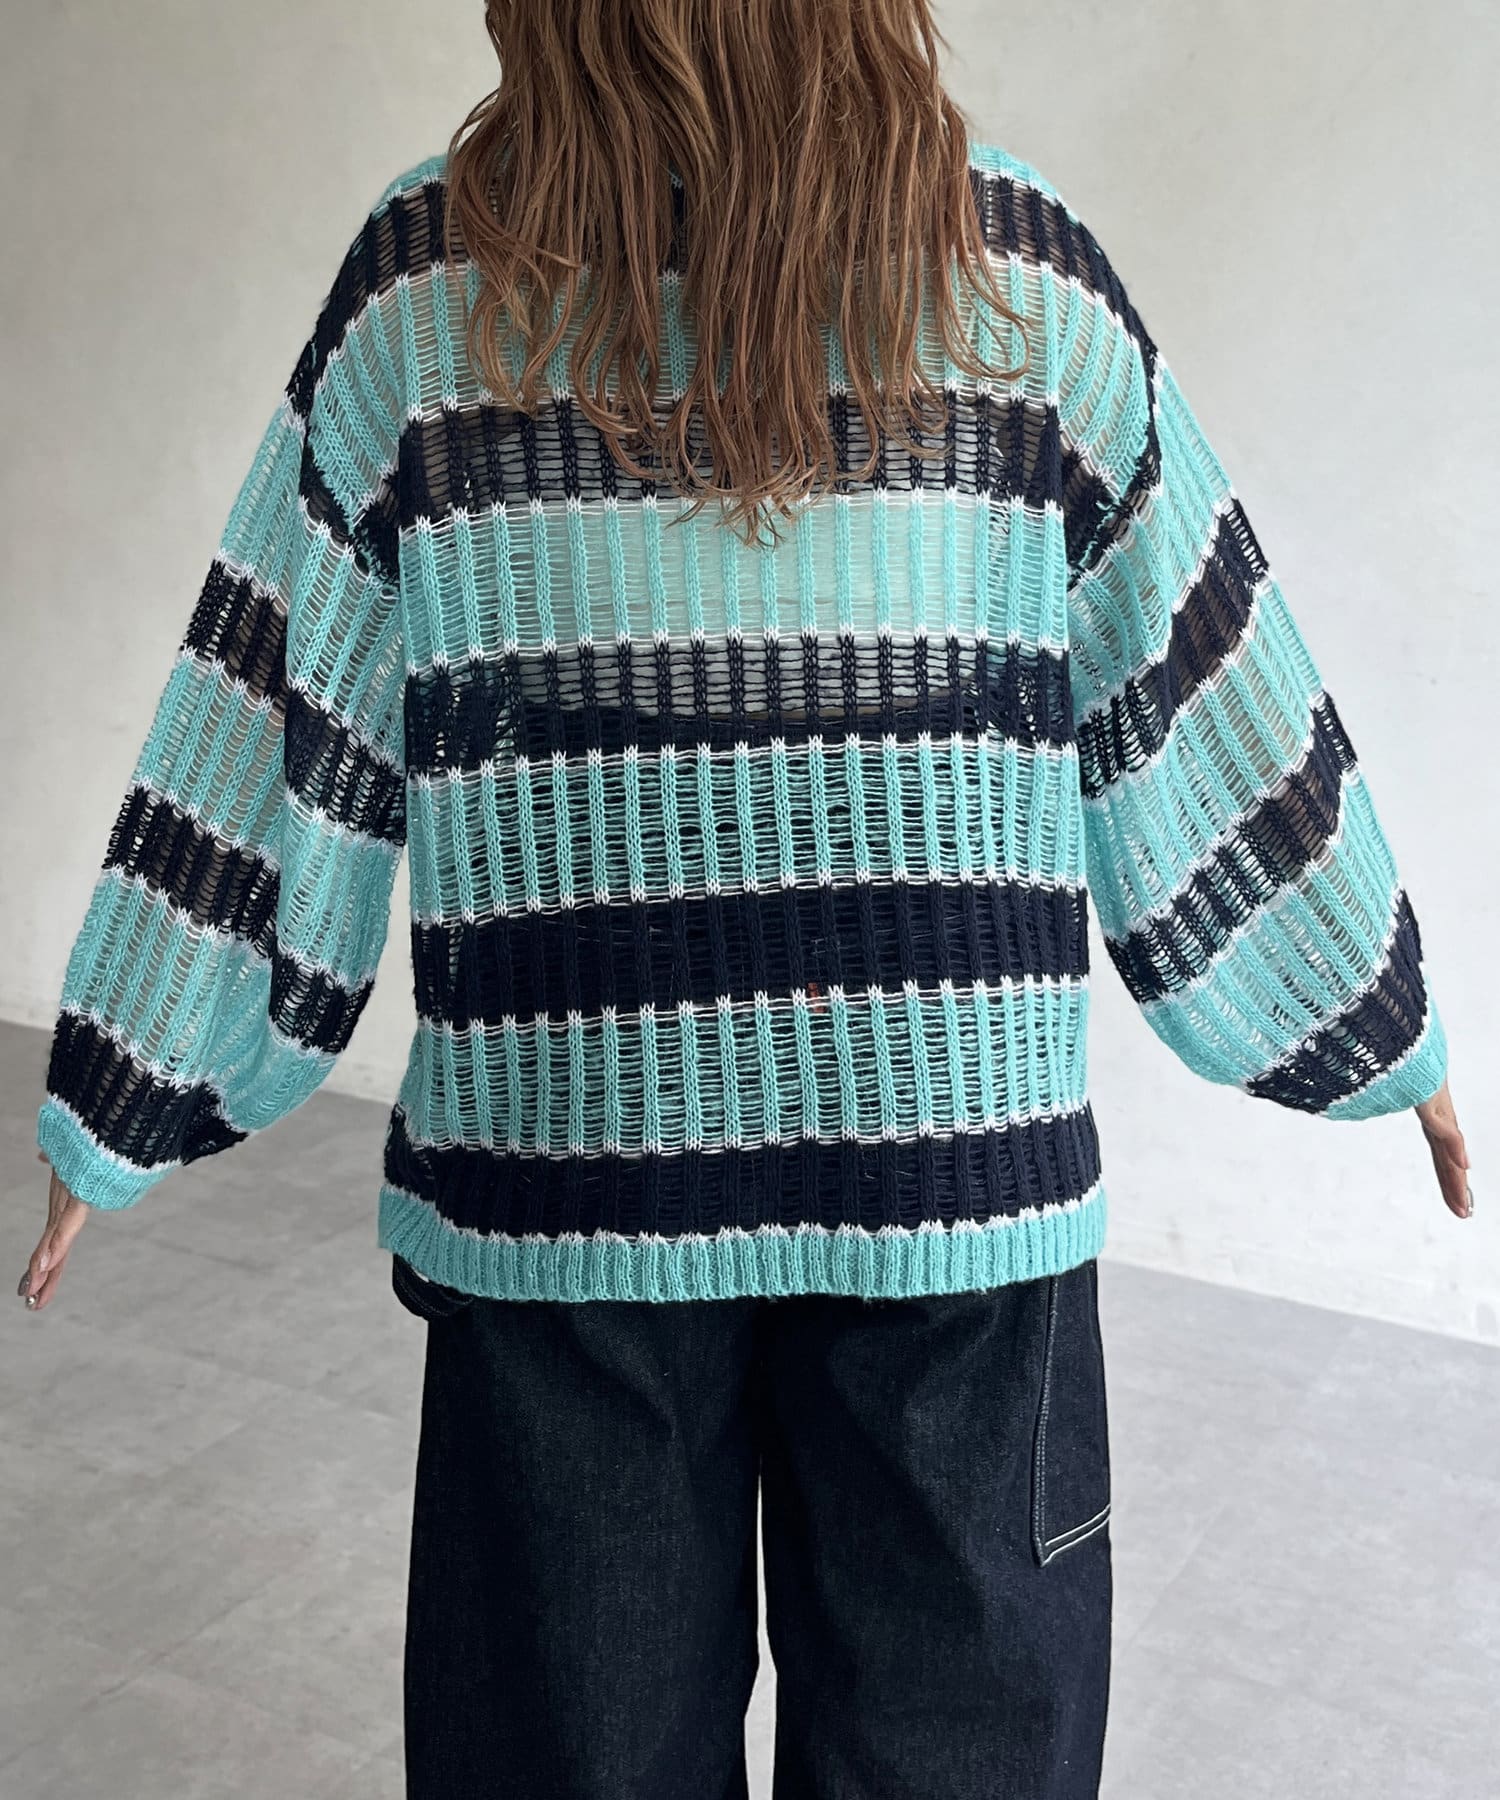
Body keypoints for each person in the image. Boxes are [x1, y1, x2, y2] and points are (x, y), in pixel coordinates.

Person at [19, 3, 1472, 1796]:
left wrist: (128, 1083)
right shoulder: (1021, 288)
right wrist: (1378, 1019)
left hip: (576, 1194)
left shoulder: (438, 294)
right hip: (939, 1190)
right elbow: (1198, 695)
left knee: (572, 1759)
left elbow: (273, 723)